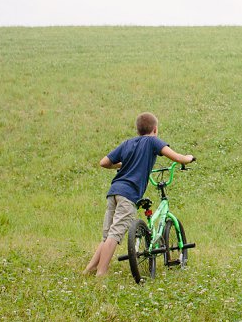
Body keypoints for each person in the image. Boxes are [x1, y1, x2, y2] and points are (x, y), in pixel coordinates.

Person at [83, 112, 194, 277]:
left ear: (138, 130)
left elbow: (104, 162)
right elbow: (177, 157)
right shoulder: (153, 141)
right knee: (115, 234)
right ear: (155, 129)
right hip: (128, 194)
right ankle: (101, 273)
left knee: (107, 236)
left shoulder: (127, 143)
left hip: (114, 191)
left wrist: (123, 165)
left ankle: (89, 270)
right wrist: (188, 158)